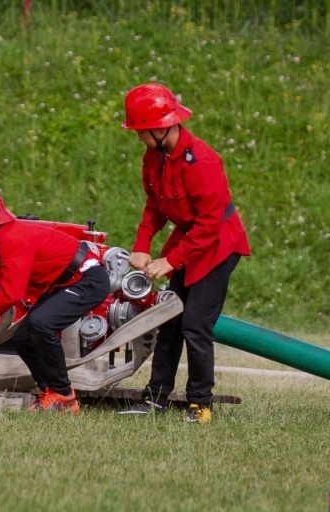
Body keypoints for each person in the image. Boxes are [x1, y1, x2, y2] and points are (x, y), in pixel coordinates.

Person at [116, 83, 250, 423]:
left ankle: (200, 404)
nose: (138, 139)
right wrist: (142, 246)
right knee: (170, 322)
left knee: (195, 324)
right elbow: (155, 206)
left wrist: (171, 261)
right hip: (190, 240)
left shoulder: (202, 160)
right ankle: (156, 398)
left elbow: (208, 224)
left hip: (218, 244)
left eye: (140, 132)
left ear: (160, 129)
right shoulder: (154, 156)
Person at [0, 181, 110, 415]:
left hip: (88, 279)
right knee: (23, 336)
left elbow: (10, 295)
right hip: (66, 281)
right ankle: (49, 392)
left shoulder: (10, 239)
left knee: (42, 324)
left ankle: (64, 396)